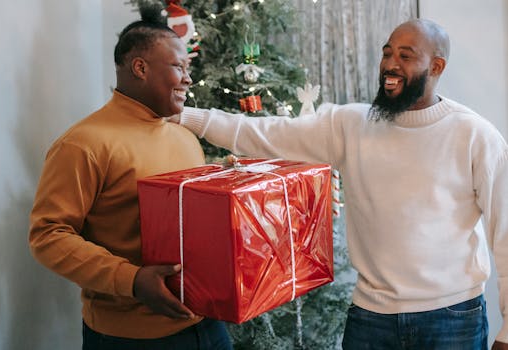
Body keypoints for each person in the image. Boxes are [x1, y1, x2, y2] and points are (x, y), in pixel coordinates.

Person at [173, 19, 508, 349]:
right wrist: (185, 115)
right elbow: (263, 133)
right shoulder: (350, 124)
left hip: (453, 318)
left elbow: (505, 233)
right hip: (371, 318)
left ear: (436, 67)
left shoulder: (474, 135)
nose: (390, 65)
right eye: (387, 53)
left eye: (405, 56)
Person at [28, 14, 233, 350]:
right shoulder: (83, 144)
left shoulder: (185, 138)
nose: (189, 79)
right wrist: (133, 280)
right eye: (179, 67)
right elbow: (48, 236)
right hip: (128, 338)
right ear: (140, 68)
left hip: (208, 327)